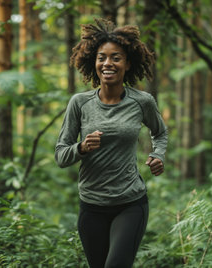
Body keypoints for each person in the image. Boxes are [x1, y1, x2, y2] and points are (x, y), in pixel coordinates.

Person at [54, 18, 168, 268]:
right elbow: (61, 155)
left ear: (127, 64)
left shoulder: (142, 101)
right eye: (101, 57)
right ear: (93, 62)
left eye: (116, 57)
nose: (108, 63)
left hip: (130, 203)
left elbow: (160, 132)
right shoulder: (79, 103)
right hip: (91, 206)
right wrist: (81, 148)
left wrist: (158, 154)